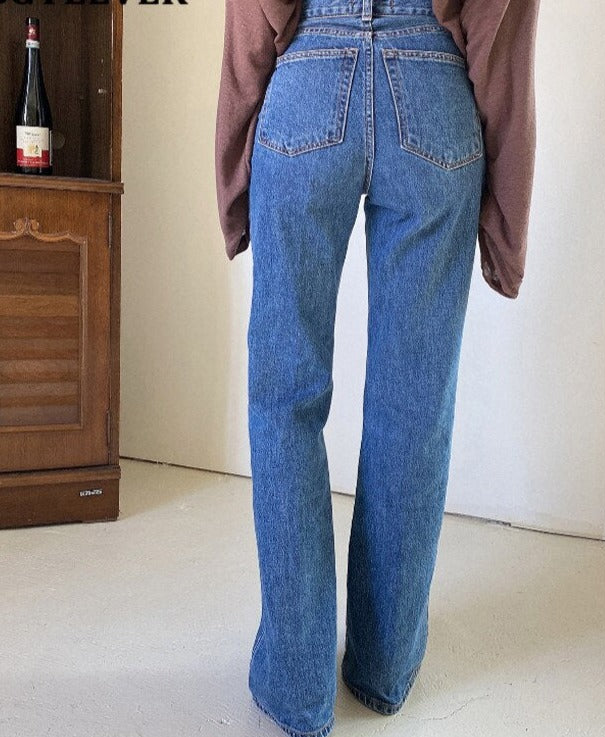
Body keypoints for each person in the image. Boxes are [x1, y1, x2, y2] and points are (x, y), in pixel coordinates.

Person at [214, 1, 541, 735]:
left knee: (284, 399)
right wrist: (507, 222)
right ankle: (383, 666)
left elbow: (247, 25)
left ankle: (297, 684)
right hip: (433, 94)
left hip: (306, 82)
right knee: (414, 406)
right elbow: (502, 32)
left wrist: (234, 182)